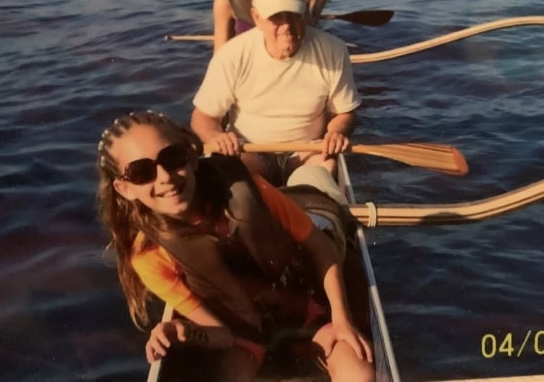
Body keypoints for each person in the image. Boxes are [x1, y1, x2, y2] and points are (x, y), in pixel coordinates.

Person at [96, 111, 374, 381]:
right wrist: (183, 328)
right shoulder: (148, 255)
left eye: (172, 158)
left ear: (191, 157)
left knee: (315, 174)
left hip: (309, 298)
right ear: (125, 188)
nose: (165, 177)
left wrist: (341, 319)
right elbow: (221, 334)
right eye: (142, 172)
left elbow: (320, 245)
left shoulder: (244, 187)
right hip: (247, 334)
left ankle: (312, 167)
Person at [191, 0, 360, 184]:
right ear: (256, 17)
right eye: (276, 17)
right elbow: (203, 117)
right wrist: (216, 136)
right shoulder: (232, 54)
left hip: (308, 151)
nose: (287, 26)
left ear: (305, 12)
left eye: (293, 14)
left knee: (324, 168)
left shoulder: (333, 49)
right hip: (250, 150)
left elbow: (344, 113)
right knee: (233, 177)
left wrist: (336, 133)